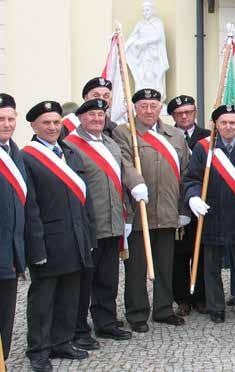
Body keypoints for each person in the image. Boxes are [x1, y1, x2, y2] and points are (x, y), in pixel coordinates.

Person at [23, 100, 95, 372]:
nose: (53, 127)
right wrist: (36, 247)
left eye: (56, 122)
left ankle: (61, 341)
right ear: (34, 126)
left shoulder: (69, 152)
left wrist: (87, 235)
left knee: (69, 294)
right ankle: (38, 350)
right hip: (48, 240)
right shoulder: (27, 157)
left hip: (75, 237)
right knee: (43, 299)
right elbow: (30, 208)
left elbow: (84, 199)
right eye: (46, 123)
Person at [112, 89, 191, 333]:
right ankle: (137, 313)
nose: (148, 110)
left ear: (160, 108)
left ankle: (163, 309)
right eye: (143, 106)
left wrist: (184, 207)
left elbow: (186, 173)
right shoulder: (124, 133)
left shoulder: (175, 135)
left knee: (165, 265)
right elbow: (123, 163)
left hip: (167, 210)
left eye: (153, 106)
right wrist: (136, 184)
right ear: (135, 108)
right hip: (139, 212)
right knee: (136, 267)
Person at [65, 99, 133, 353]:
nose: (96, 119)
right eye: (91, 115)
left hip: (113, 222)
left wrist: (126, 217)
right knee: (84, 281)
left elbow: (120, 181)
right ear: (81, 118)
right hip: (89, 225)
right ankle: (79, 329)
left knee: (108, 278)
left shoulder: (111, 143)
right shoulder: (71, 145)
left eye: (100, 115)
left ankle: (106, 322)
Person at [184, 104, 235, 324]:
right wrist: (193, 197)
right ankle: (215, 307)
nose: (228, 127)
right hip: (212, 214)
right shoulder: (204, 148)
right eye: (223, 123)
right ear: (215, 125)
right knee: (211, 266)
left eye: (232, 122)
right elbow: (192, 179)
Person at [167, 95, 210, 317]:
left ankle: (202, 296)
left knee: (202, 251)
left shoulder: (208, 136)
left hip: (202, 205)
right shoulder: (166, 137)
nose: (184, 116)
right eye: (179, 113)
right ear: (173, 116)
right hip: (177, 204)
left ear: (195, 112)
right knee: (179, 254)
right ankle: (182, 298)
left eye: (188, 112)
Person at [0, 93, 26, 363]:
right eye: (0, 119)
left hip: (11, 251)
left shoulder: (14, 152)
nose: (6, 124)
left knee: (6, 313)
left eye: (10, 118)